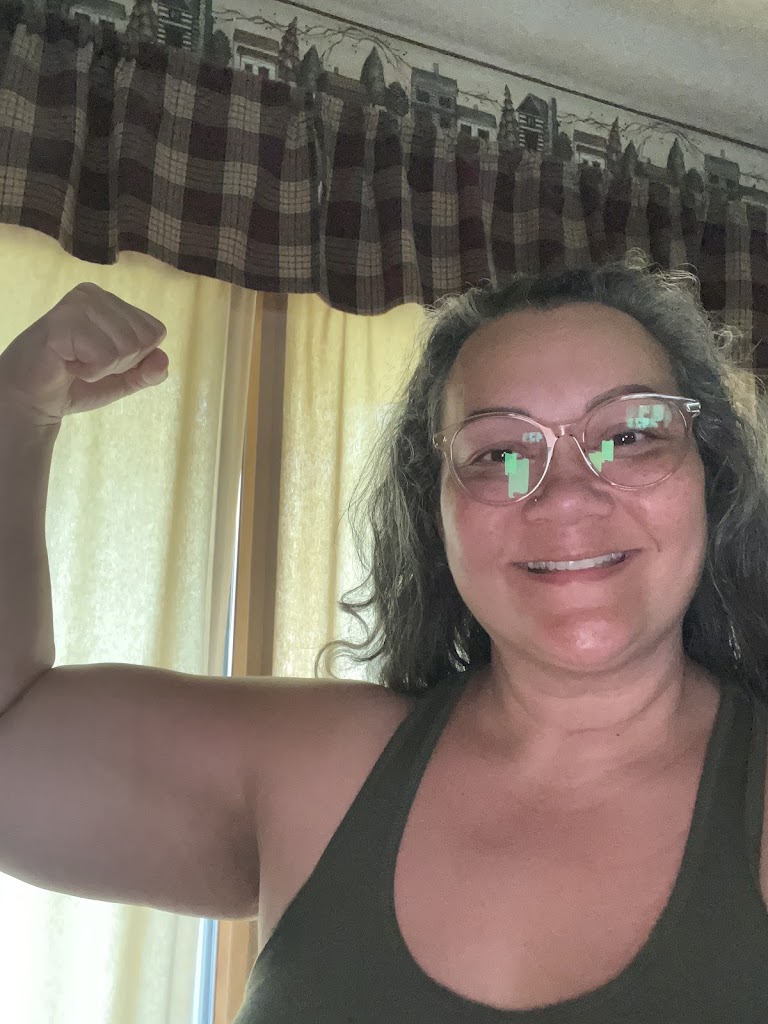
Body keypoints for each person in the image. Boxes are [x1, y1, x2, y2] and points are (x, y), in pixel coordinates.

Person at [1, 256, 768, 1024]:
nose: (567, 495)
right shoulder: (320, 768)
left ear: (711, 475)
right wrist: (15, 411)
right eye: (500, 455)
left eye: (630, 435)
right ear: (436, 514)